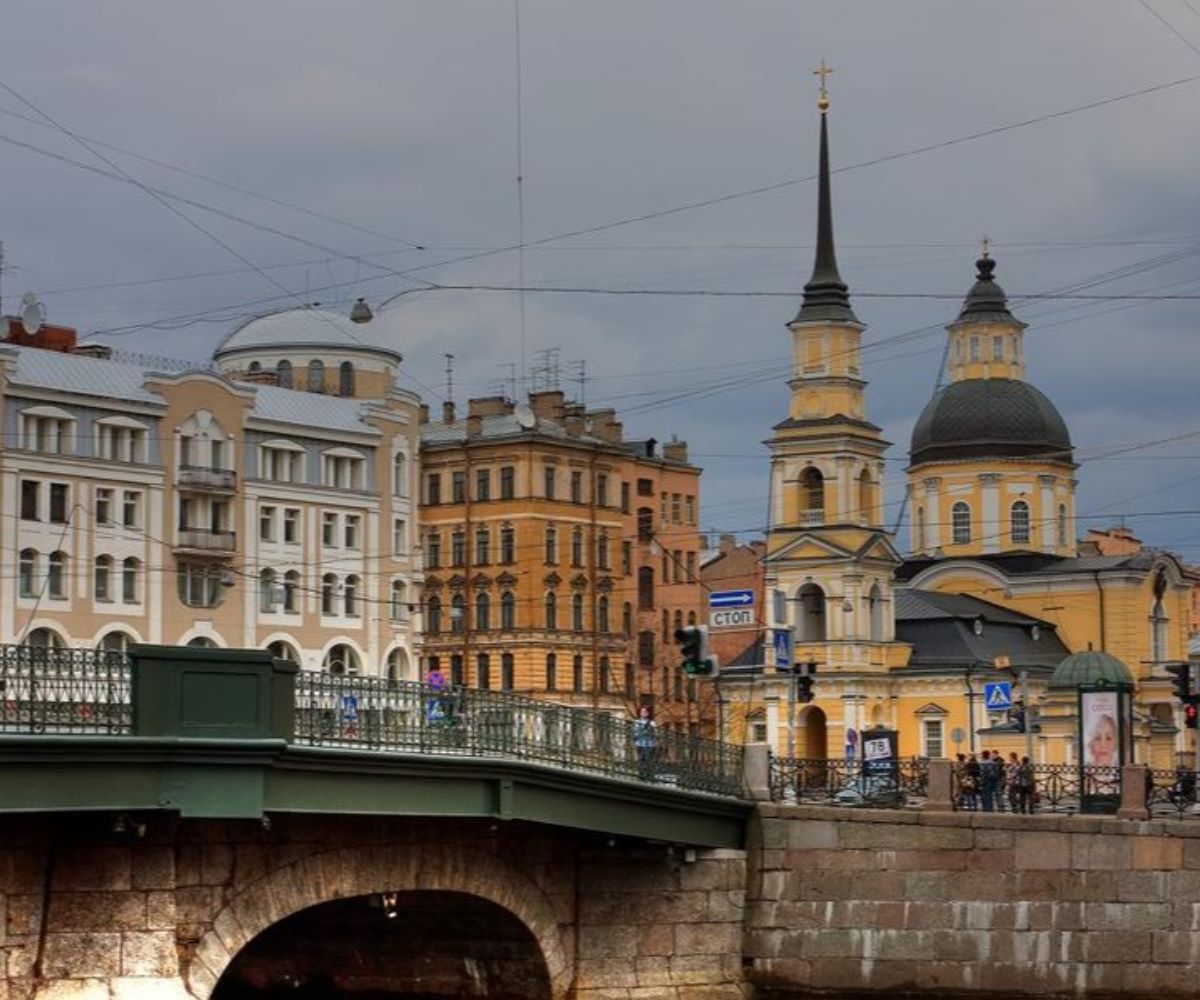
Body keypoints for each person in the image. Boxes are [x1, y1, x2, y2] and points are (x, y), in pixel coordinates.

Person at [632, 705, 658, 779]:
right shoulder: (637, 722)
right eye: (642, 711)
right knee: (641, 760)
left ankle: (650, 775)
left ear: (648, 713)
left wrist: (650, 733)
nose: (644, 713)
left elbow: (655, 733)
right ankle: (641, 775)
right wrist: (644, 732)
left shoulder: (652, 723)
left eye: (645, 712)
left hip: (650, 744)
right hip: (640, 743)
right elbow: (635, 732)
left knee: (649, 760)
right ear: (639, 713)